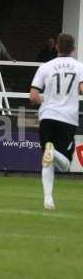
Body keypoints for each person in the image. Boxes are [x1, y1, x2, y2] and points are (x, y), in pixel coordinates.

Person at [29, 33, 83, 210]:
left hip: (48, 116)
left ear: (57, 47)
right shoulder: (79, 67)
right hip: (68, 118)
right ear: (73, 49)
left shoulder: (46, 67)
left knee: (47, 158)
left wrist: (48, 101)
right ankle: (52, 153)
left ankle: (48, 199)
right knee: (65, 164)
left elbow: (34, 96)